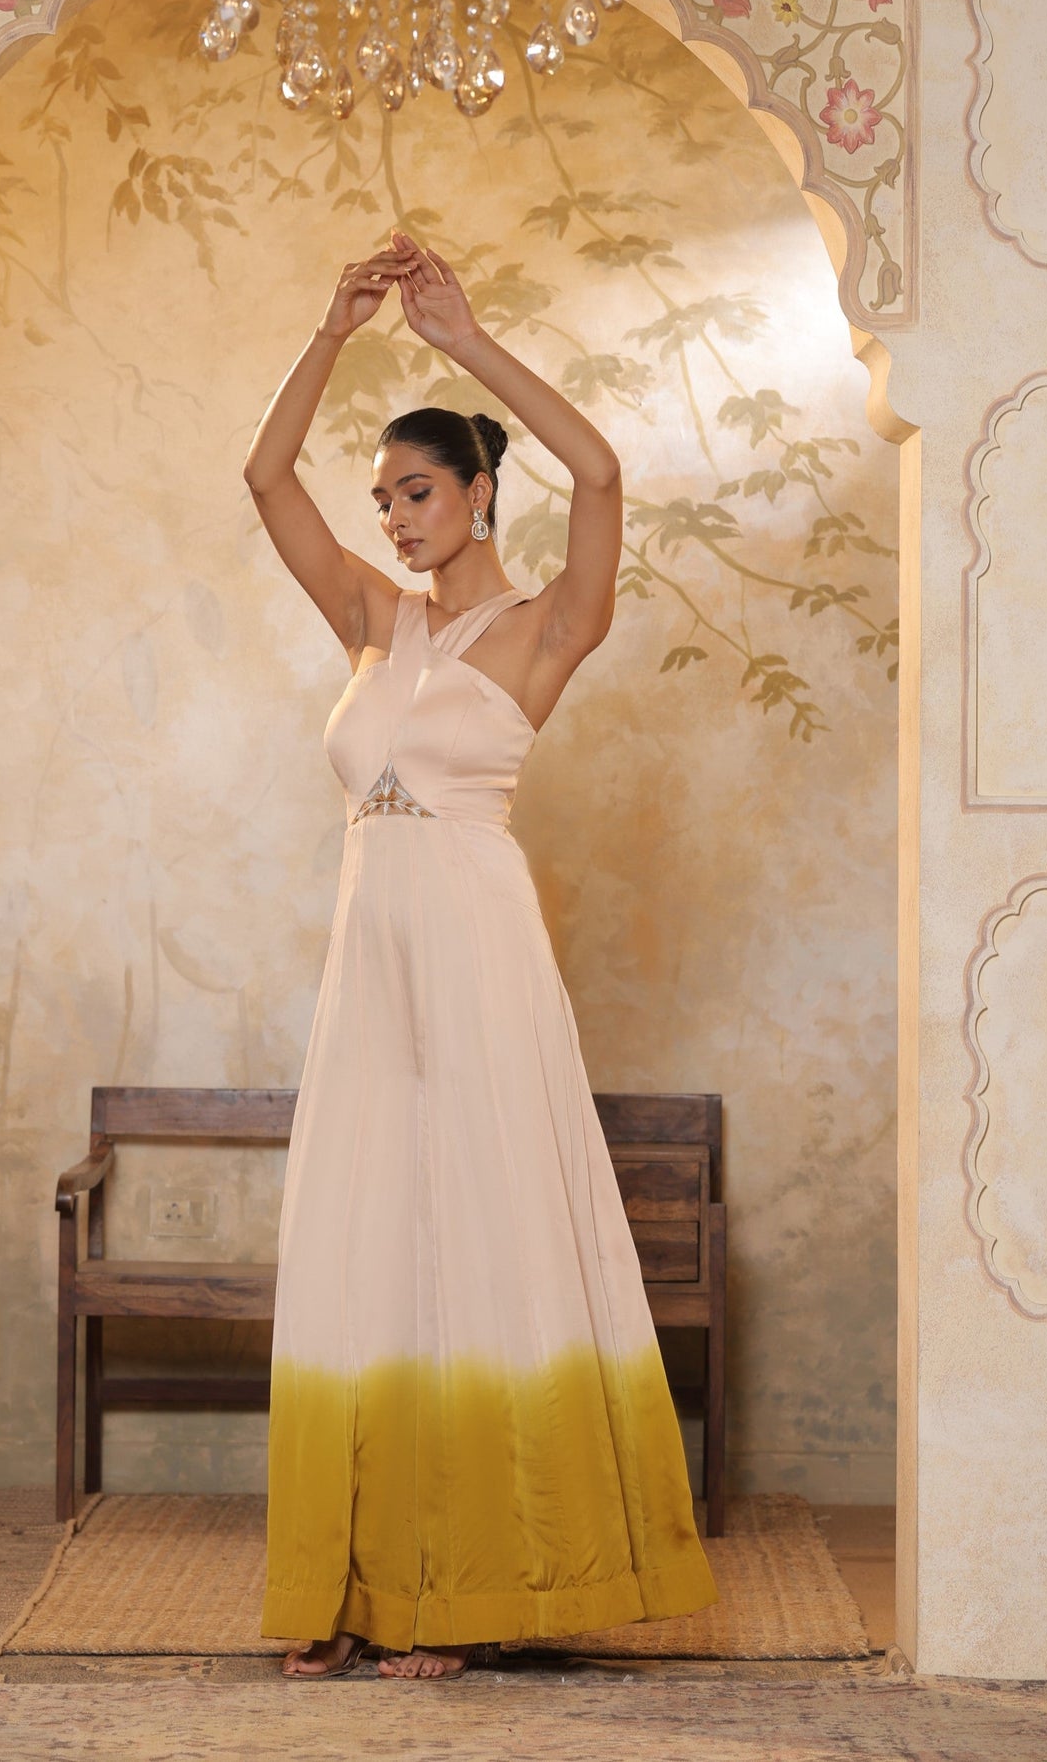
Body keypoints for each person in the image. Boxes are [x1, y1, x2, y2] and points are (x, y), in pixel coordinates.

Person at [243, 232, 717, 1679]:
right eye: (381, 496)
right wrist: (330, 329)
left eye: (417, 489)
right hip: (369, 968)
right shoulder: (370, 626)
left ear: (476, 490)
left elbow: (606, 480)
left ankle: (469, 1587)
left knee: (477, 1236)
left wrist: (462, 339)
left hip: (477, 952)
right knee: (367, 1240)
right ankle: (354, 1579)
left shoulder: (541, 631)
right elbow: (264, 482)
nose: (391, 517)